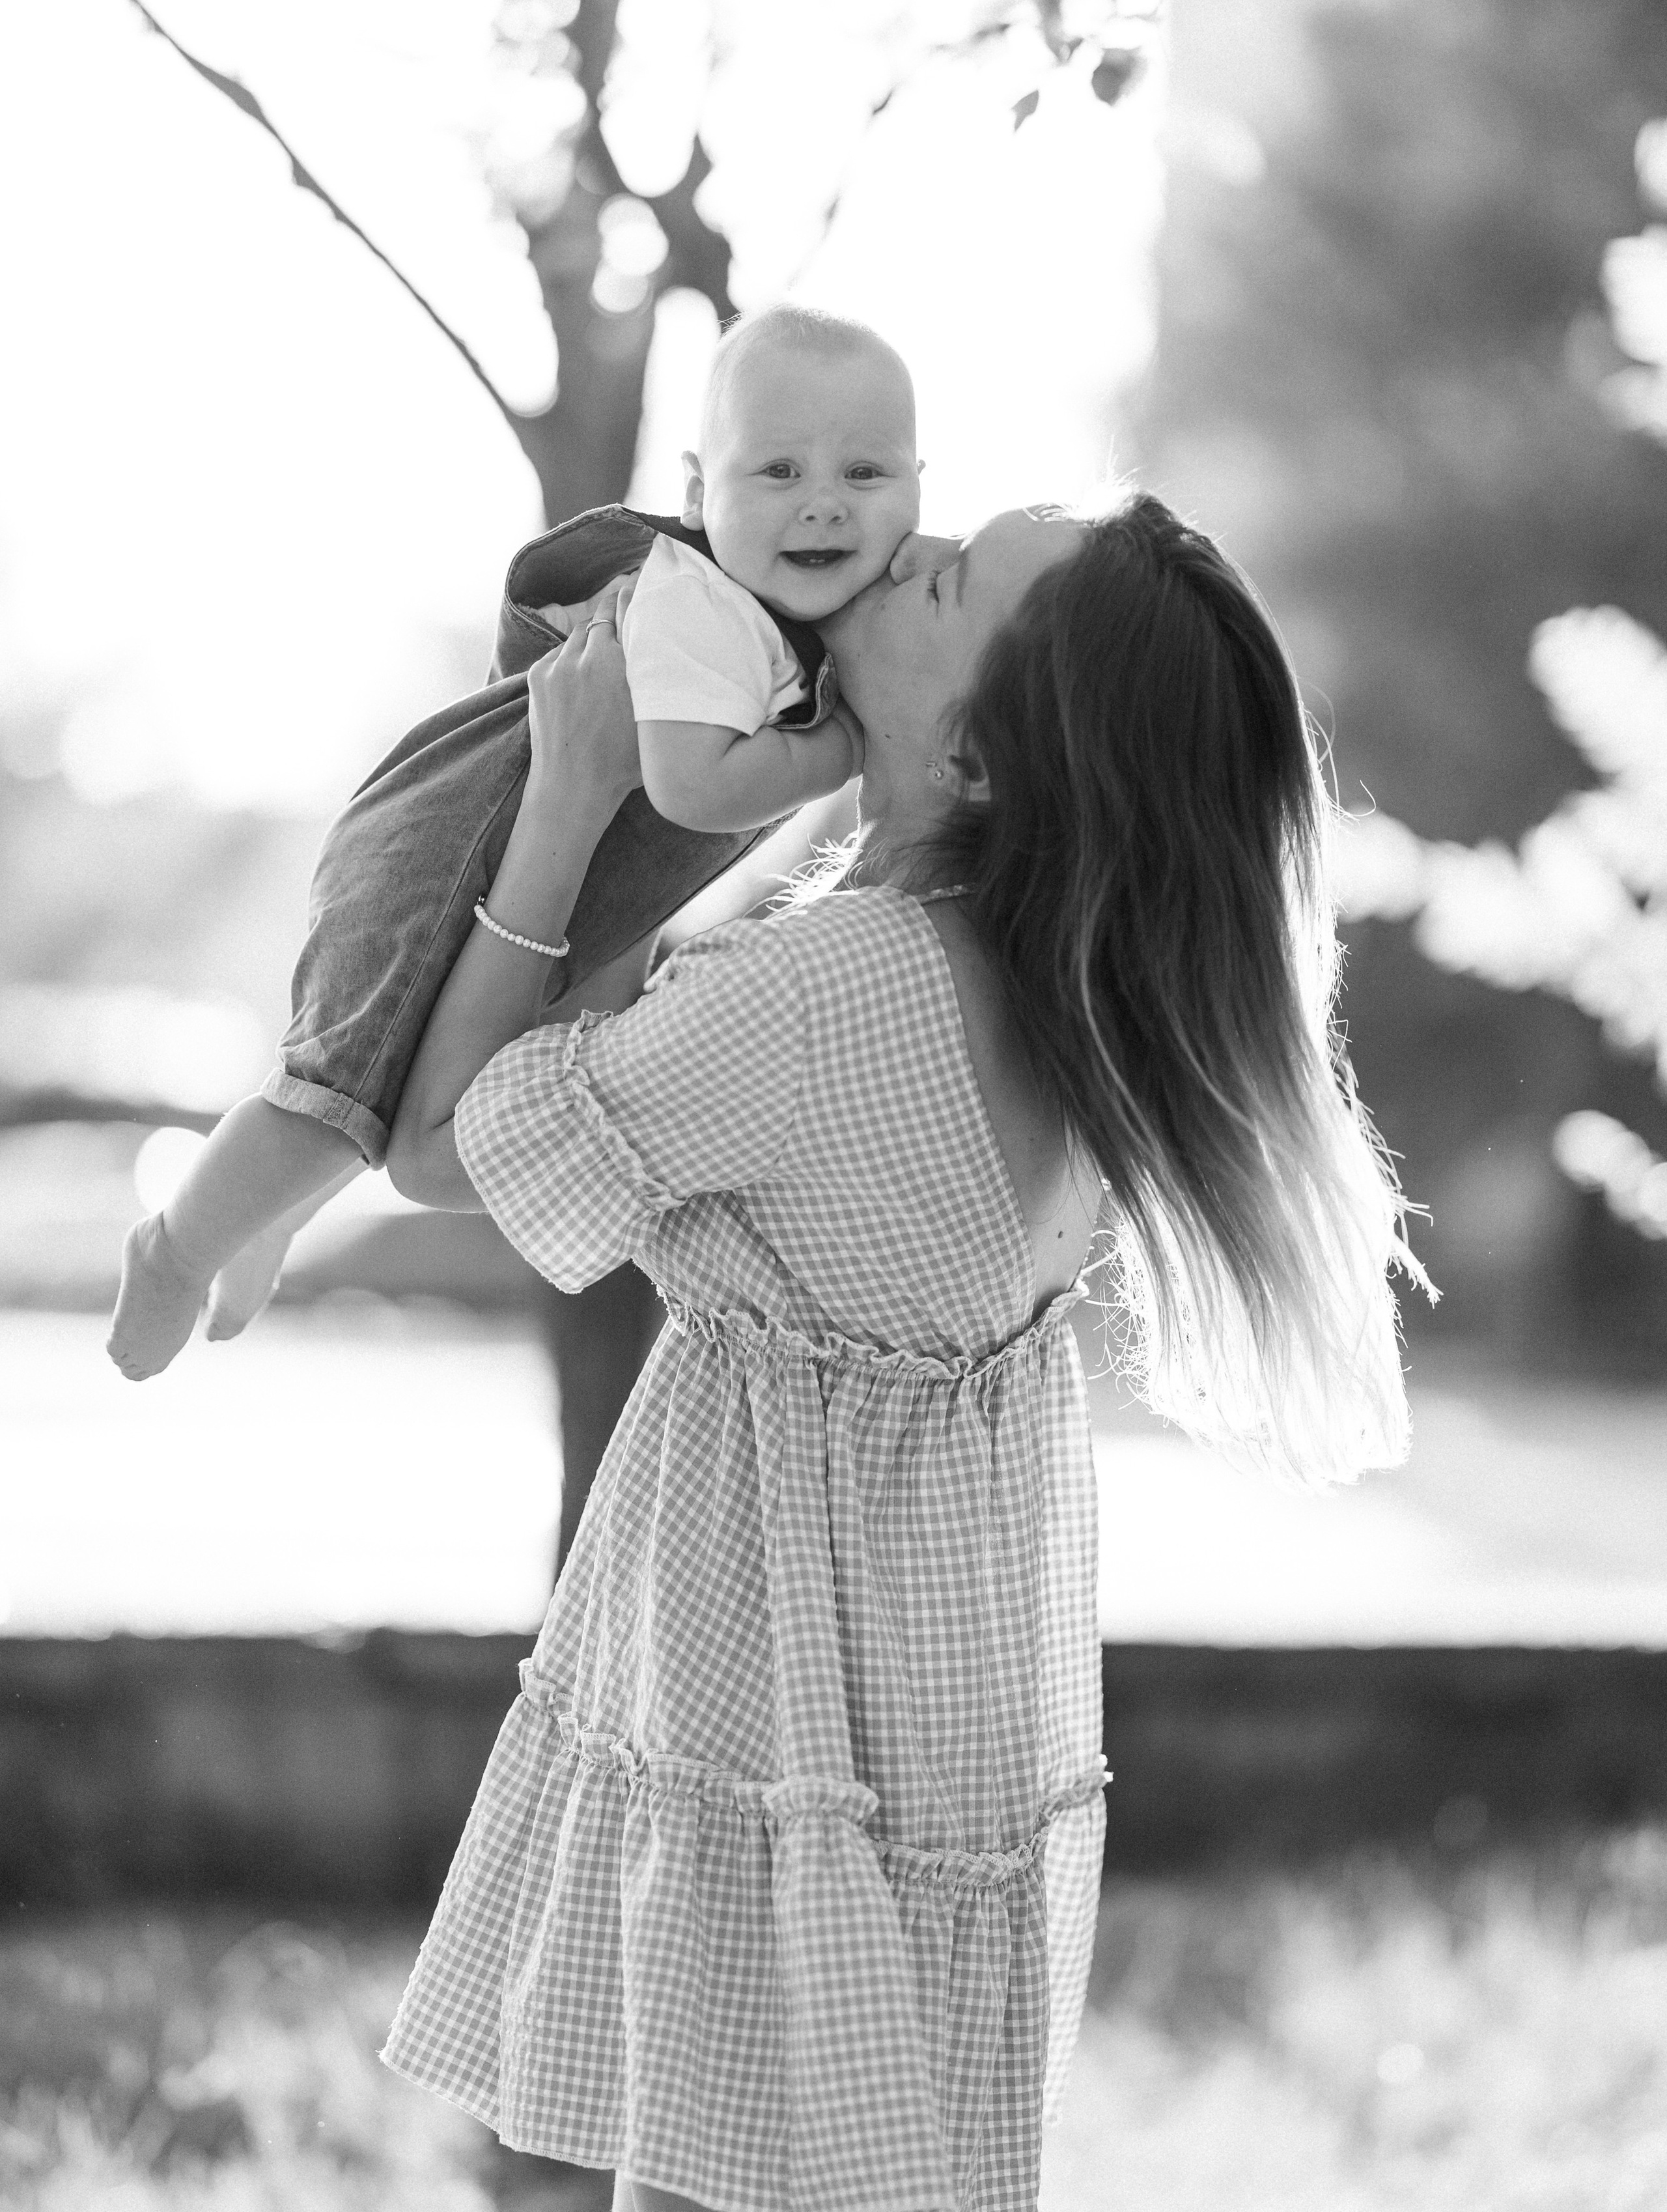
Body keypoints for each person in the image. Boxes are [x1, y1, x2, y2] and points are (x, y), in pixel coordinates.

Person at [377, 492, 1420, 2212]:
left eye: (942, 581)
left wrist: (573, 806)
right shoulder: (1048, 986)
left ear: (992, 758)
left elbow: (447, 1145)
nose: (893, 549)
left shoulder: (829, 991)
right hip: (926, 1724)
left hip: (790, 1725)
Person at [105, 304, 918, 1384]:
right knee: (344, 1077)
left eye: (865, 473)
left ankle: (267, 1222)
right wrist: (845, 751)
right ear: (695, 495)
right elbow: (684, 786)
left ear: (920, 484)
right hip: (445, 851)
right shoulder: (699, 607)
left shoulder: (798, 627)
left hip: (563, 887)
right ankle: (173, 1245)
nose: (823, 500)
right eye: (777, 470)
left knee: (404, 1092)